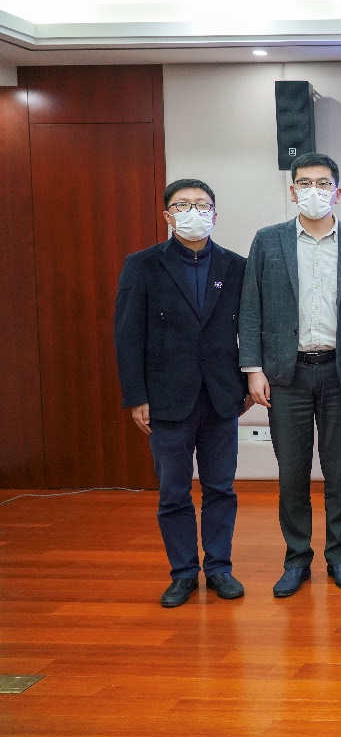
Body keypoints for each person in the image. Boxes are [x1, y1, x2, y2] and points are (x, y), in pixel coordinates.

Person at [238, 153, 341, 598]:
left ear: (337, 191)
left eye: (323, 183)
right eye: (304, 183)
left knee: (339, 473)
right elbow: (251, 307)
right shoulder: (268, 240)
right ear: (292, 190)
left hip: (340, 373)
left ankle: (339, 555)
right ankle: (297, 558)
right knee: (292, 474)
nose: (313, 190)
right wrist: (253, 369)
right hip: (286, 375)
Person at [114, 179, 250, 607]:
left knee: (220, 488)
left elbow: (250, 329)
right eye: (183, 205)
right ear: (167, 215)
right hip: (166, 398)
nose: (194, 212)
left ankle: (219, 568)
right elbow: (127, 334)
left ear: (215, 214)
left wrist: (248, 381)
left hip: (221, 396)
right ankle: (183, 573)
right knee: (173, 492)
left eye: (202, 205)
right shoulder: (142, 265)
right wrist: (136, 396)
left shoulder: (236, 266)